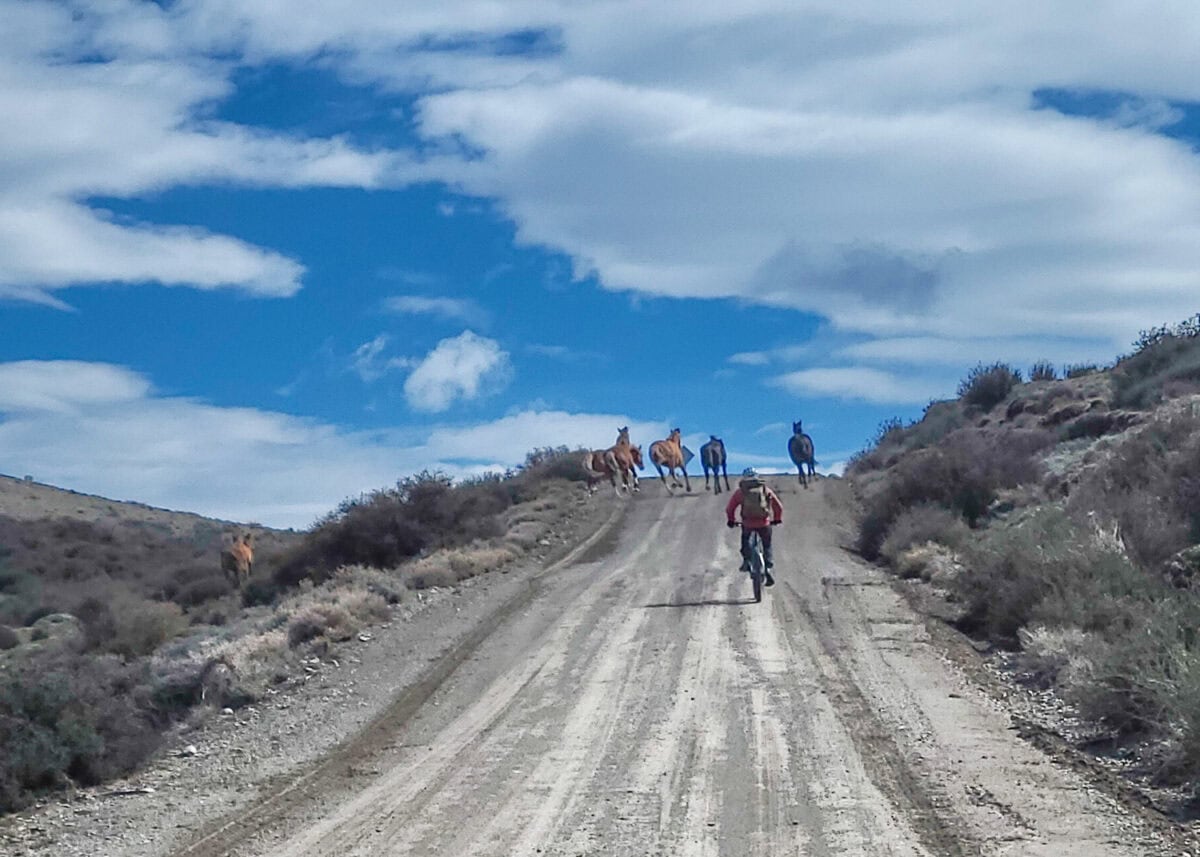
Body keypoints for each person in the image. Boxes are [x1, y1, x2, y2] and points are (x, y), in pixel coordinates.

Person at [725, 467, 783, 586]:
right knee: (767, 545)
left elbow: (730, 508)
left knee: (745, 541)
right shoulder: (765, 490)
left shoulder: (740, 492)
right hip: (764, 523)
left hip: (748, 524)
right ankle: (767, 568)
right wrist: (777, 519)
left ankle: (746, 561)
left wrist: (731, 520)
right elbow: (778, 507)